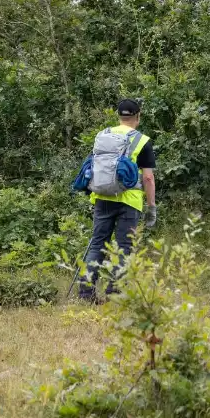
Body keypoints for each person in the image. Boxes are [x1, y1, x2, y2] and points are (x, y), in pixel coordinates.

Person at [78, 99, 156, 301]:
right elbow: (147, 177)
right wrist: (151, 207)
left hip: (102, 196)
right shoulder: (142, 141)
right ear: (138, 117)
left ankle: (86, 293)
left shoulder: (103, 135)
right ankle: (116, 292)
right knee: (125, 247)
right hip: (128, 201)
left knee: (97, 245)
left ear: (119, 116)